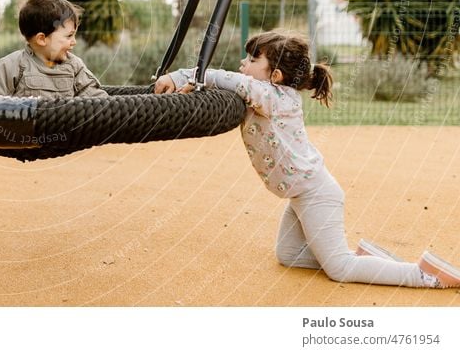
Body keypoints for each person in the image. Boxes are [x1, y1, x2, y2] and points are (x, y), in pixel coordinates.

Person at [154, 29, 460, 288]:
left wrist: (181, 74)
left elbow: (232, 80)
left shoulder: (273, 97)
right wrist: (196, 84)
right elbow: (233, 83)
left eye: (252, 59)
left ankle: (422, 275)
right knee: (289, 255)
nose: (243, 64)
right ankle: (370, 260)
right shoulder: (268, 94)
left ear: (275, 75)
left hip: (315, 193)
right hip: (301, 194)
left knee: (339, 269)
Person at [0, 0, 108, 99]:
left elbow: (98, 101)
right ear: (41, 39)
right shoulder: (10, 67)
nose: (74, 41)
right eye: (69, 36)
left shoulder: (74, 66)